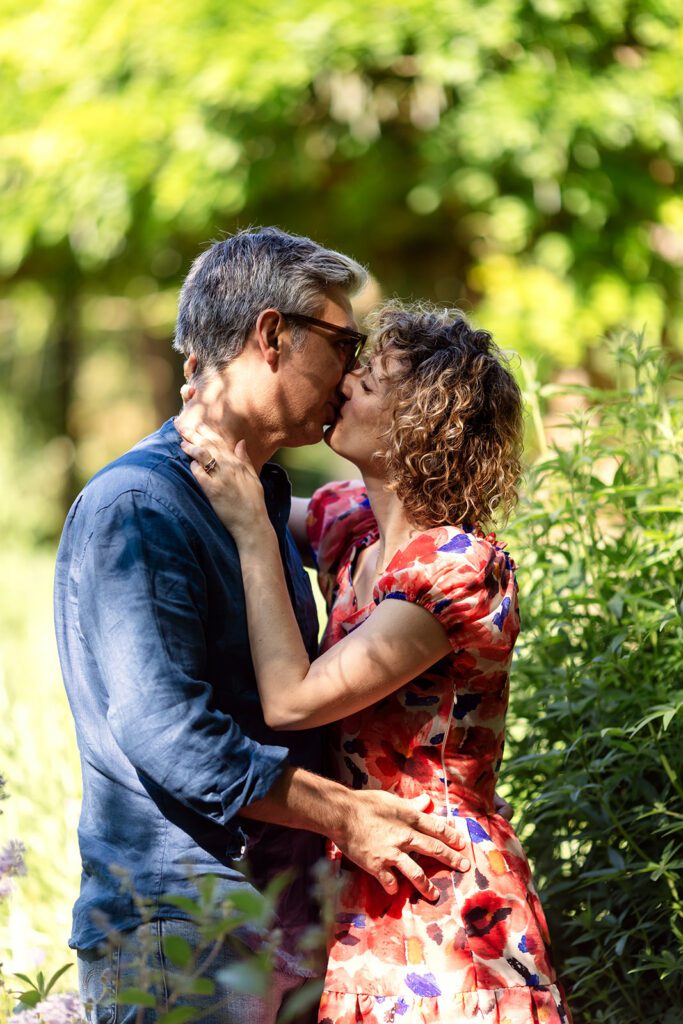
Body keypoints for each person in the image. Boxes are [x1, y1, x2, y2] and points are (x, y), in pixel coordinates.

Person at [54, 229, 471, 1024]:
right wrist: (344, 813)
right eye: (343, 343)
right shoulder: (141, 505)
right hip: (179, 928)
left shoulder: (259, 504)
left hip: (259, 921)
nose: (351, 371)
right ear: (271, 335)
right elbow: (164, 728)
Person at [179, 300, 573, 1024]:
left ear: (417, 423)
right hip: (356, 873)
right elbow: (231, 491)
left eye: (371, 377)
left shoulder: (455, 569)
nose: (345, 382)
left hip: (445, 898)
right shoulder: (353, 528)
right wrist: (219, 412)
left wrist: (250, 530)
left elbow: (293, 701)